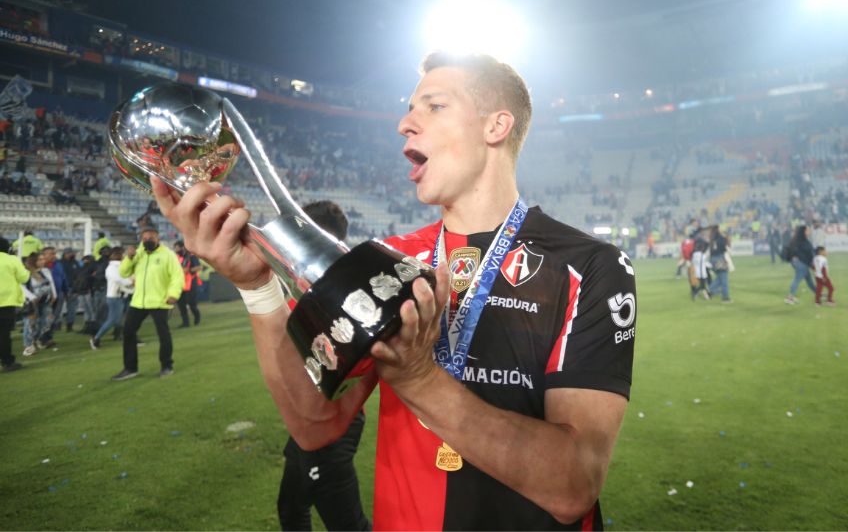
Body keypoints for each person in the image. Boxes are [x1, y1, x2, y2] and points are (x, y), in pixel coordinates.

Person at [152, 52, 635, 530]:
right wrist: (258, 288)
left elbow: (574, 486)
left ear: (496, 126)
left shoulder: (589, 265)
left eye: (434, 105)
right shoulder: (386, 260)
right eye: (409, 108)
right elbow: (316, 424)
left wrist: (420, 380)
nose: (405, 123)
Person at [276, 200, 370, 532]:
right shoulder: (303, 276)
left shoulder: (344, 285)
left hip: (331, 420)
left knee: (347, 525)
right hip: (306, 417)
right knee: (291, 509)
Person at [111, 227, 183, 380]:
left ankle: (166, 366)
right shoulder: (138, 254)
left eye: (151, 238)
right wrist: (128, 258)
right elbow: (123, 273)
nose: (147, 241)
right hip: (139, 301)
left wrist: (173, 294)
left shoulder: (168, 255)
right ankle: (130, 368)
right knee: (128, 332)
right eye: (144, 239)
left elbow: (177, 276)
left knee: (163, 334)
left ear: (158, 238)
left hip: (160, 301)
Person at [90, 247, 133, 349]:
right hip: (114, 297)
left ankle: (124, 337)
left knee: (117, 320)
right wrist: (131, 282)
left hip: (118, 296)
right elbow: (119, 280)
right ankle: (96, 338)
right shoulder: (112, 268)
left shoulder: (114, 267)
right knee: (112, 320)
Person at [0, 236, 30, 372]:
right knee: (4, 334)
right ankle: (7, 362)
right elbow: (24, 277)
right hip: (6, 302)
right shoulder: (11, 259)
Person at [21, 251, 57, 357]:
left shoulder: (45, 271)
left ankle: (38, 339)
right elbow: (21, 286)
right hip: (32, 302)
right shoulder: (26, 272)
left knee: (47, 321)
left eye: (43, 259)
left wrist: (54, 295)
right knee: (30, 323)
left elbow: (51, 283)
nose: (43, 261)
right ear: (34, 261)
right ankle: (28, 345)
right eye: (40, 259)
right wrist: (31, 297)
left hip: (45, 301)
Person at [173, 240, 202, 328]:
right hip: (180, 284)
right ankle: (185, 323)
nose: (176, 250)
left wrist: (188, 270)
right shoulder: (176, 258)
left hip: (190, 283)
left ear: (182, 247)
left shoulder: (191, 256)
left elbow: (199, 267)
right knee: (181, 304)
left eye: (177, 248)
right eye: (175, 248)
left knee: (191, 303)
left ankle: (197, 316)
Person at [785, 225, 816, 305]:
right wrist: (812, 264)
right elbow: (809, 253)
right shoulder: (804, 241)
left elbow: (789, 250)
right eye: (807, 230)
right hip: (802, 264)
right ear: (803, 232)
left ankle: (818, 293)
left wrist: (792, 260)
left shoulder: (796, 240)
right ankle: (790, 297)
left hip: (800, 263)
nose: (809, 231)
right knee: (797, 279)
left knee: (809, 280)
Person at [707, 225, 732, 303]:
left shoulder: (711, 239)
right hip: (720, 259)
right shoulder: (721, 238)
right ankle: (725, 297)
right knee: (724, 279)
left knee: (720, 278)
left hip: (712, 259)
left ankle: (709, 291)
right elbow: (725, 248)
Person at [60, 248, 81, 332]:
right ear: (65, 254)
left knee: (72, 308)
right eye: (70, 253)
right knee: (58, 309)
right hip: (62, 288)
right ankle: (55, 325)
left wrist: (76, 289)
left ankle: (70, 325)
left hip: (73, 288)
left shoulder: (75, 263)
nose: (72, 254)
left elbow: (79, 276)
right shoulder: (60, 263)